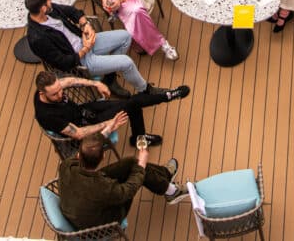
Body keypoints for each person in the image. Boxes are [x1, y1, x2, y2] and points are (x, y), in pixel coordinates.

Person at [25, 0, 175, 98]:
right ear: (43, 8)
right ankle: (146, 90)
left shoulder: (50, 11)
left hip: (86, 41)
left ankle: (109, 78)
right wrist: (85, 49)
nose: (51, 0)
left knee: (125, 36)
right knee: (126, 62)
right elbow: (64, 63)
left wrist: (85, 25)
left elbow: (73, 11)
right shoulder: (37, 38)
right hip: (80, 60)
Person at [59, 132, 188, 230]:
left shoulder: (67, 165)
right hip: (99, 221)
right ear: (104, 156)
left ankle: (165, 178)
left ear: (79, 155)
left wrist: (108, 128)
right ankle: (171, 190)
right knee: (138, 171)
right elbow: (128, 190)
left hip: (79, 206)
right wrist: (142, 163)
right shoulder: (102, 187)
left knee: (131, 163)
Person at [33, 71, 190, 148]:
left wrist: (95, 84)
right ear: (42, 93)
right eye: (55, 94)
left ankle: (139, 138)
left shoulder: (49, 86)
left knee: (132, 104)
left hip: (84, 110)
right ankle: (168, 96)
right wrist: (109, 123)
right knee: (132, 104)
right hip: (87, 128)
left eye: (60, 89)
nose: (60, 94)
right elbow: (79, 134)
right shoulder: (47, 115)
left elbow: (69, 81)